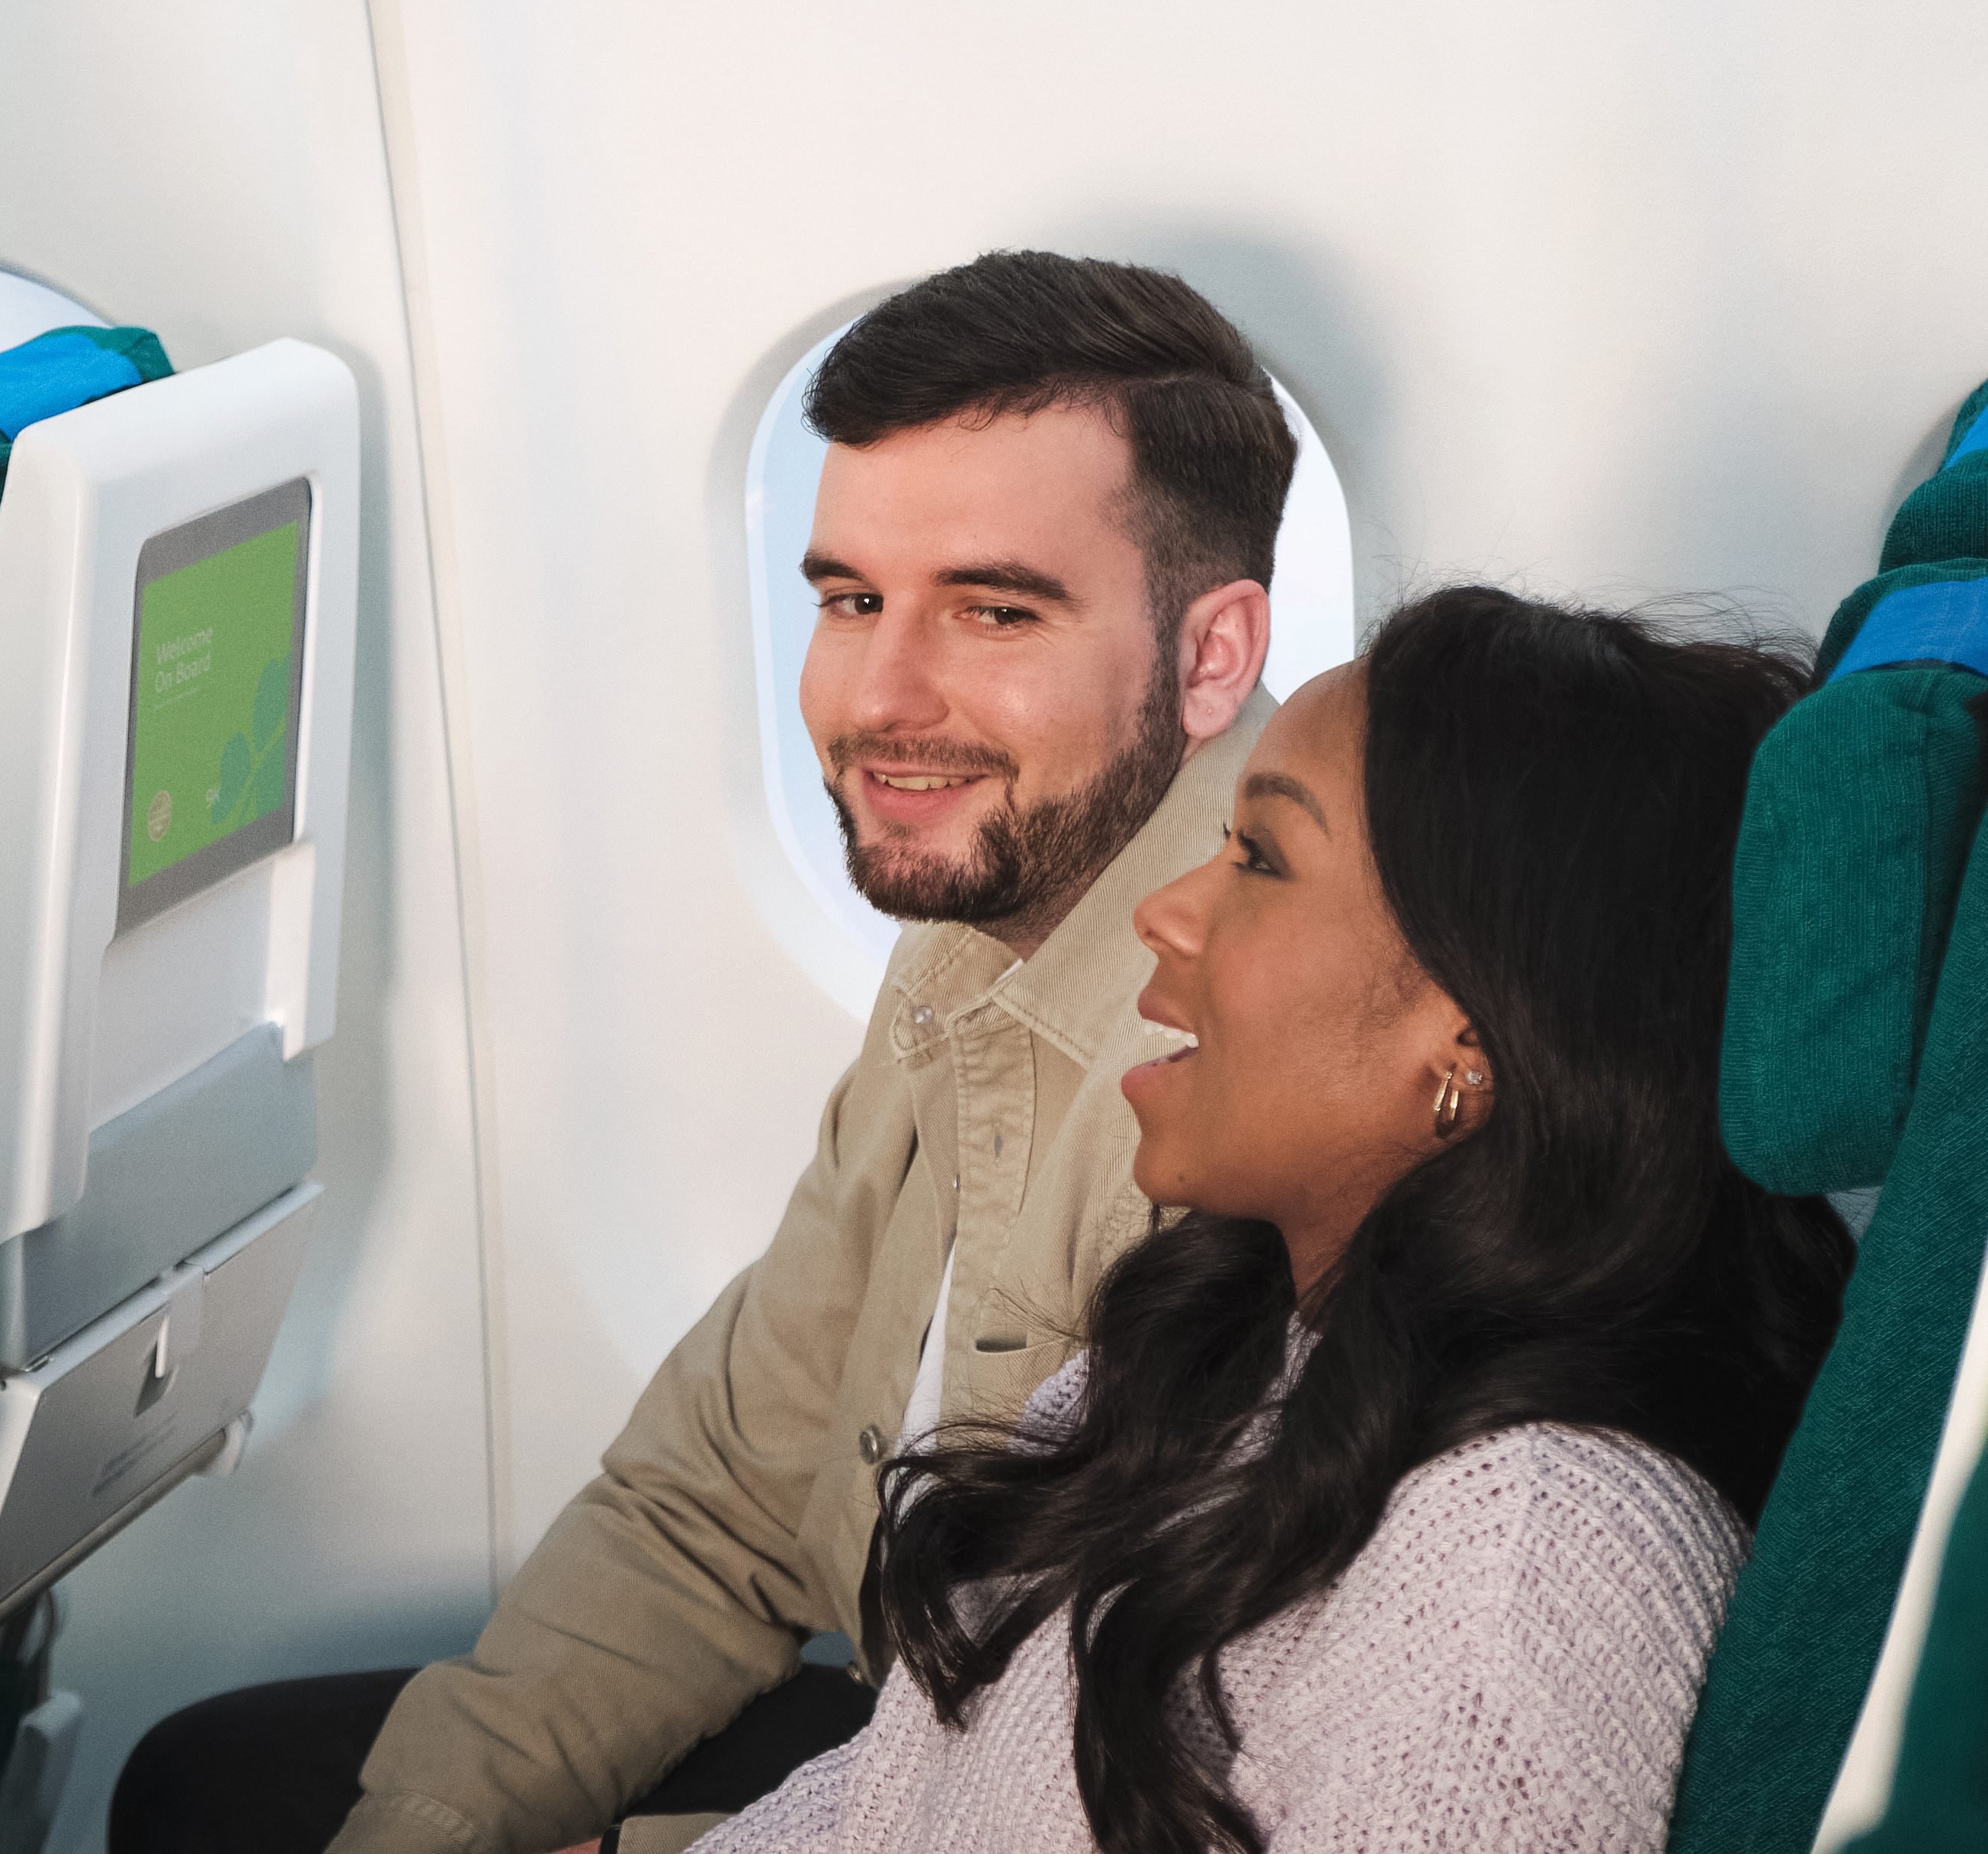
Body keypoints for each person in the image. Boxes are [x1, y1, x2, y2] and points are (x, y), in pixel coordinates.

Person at [113, 252, 1300, 1854]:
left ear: (1212, 655)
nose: (879, 696)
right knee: (221, 1782)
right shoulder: (971, 927)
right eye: (846, 599)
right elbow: (719, 1493)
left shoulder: (1241, 1063)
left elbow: (1109, 1785)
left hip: (1041, 1802)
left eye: (992, 609)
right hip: (921, 1733)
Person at [701, 585, 1858, 1854]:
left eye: (1259, 857)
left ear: (1467, 1031)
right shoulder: (1224, 1341)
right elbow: (898, 1800)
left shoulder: (1526, 1559)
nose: (1165, 911)